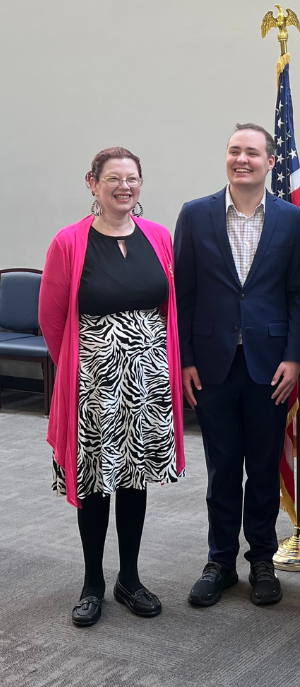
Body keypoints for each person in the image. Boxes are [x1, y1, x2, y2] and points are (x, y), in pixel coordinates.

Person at [39, 147, 186, 627]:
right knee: (95, 484)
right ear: (93, 183)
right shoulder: (68, 242)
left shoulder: (159, 237)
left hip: (147, 384)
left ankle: (130, 578)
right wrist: (79, 377)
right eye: (114, 179)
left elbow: (170, 310)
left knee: (134, 481)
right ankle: (91, 584)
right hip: (93, 383)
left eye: (133, 179)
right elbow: (52, 318)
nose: (125, 187)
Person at [174, 123, 300, 607]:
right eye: (234, 151)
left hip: (271, 367)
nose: (242, 159)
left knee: (264, 466)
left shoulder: (292, 220)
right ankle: (221, 561)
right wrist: (185, 360)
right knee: (223, 466)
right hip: (211, 365)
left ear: (272, 161)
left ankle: (262, 561)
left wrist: (295, 358)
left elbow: (298, 295)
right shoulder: (195, 215)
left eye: (252, 152)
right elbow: (183, 296)